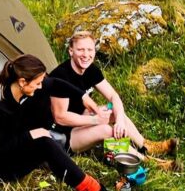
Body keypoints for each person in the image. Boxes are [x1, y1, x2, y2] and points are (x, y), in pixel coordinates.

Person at [0, 54, 142, 191]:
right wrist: (31, 135)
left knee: (43, 107)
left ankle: (59, 155)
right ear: (22, 82)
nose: (41, 85)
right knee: (45, 143)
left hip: (14, 143)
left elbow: (55, 84)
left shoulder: (20, 88)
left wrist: (83, 98)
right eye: (37, 82)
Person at [48, 31, 178, 168]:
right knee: (106, 130)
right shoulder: (61, 76)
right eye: (80, 50)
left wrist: (120, 121)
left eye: (89, 50)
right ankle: (147, 162)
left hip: (79, 120)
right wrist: (95, 120)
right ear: (71, 51)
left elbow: (113, 96)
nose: (86, 55)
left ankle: (145, 145)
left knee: (113, 110)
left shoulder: (90, 70)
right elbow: (60, 117)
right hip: (61, 136)